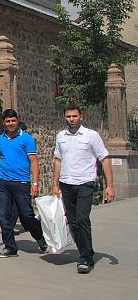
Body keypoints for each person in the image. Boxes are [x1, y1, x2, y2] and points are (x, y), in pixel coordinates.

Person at [52, 105, 115, 274]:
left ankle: (86, 258)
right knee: (72, 221)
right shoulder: (60, 136)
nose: (71, 119)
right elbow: (58, 159)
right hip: (66, 183)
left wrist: (110, 186)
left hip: (85, 183)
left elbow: (104, 159)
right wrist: (55, 184)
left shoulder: (91, 135)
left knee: (82, 219)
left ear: (81, 117)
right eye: (68, 116)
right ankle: (85, 251)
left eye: (74, 116)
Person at [0, 109, 47, 257]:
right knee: (4, 216)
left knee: (27, 216)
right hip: (3, 183)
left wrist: (35, 184)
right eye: (7, 121)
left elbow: (34, 162)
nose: (10, 124)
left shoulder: (26, 138)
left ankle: (39, 237)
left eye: (13, 120)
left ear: (17, 121)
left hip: (21, 182)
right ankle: (10, 247)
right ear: (3, 123)